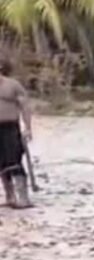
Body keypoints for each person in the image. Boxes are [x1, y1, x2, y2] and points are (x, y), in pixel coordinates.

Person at [0, 59, 33, 209]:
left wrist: (27, 127)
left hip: (10, 127)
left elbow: (25, 106)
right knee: (1, 163)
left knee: (14, 161)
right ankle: (9, 196)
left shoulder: (12, 85)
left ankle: (23, 198)